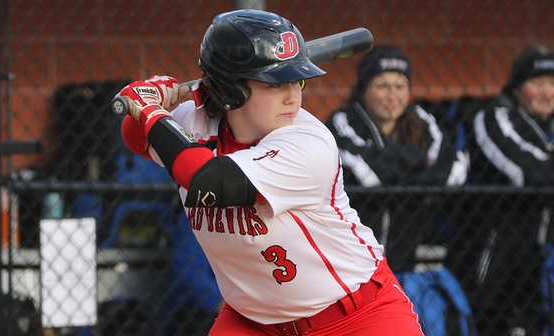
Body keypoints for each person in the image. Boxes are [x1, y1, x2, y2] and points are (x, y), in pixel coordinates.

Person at [114, 9, 424, 336]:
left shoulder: (309, 142)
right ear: (231, 91)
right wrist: (147, 103)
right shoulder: (195, 120)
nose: (293, 96)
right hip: (254, 322)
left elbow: (211, 181)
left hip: (356, 316)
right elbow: (136, 138)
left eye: (297, 80)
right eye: (276, 83)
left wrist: (148, 110)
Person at [325, 46, 468, 274]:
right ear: (364, 90)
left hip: (407, 252)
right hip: (352, 257)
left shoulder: (423, 120)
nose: (392, 96)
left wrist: (392, 168)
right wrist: (418, 164)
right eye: (382, 86)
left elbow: (455, 170)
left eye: (400, 86)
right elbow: (367, 176)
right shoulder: (343, 121)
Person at [461, 44, 554, 336]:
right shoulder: (493, 118)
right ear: (517, 88)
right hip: (499, 252)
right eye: (537, 84)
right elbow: (531, 174)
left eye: (553, 84)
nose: (548, 93)